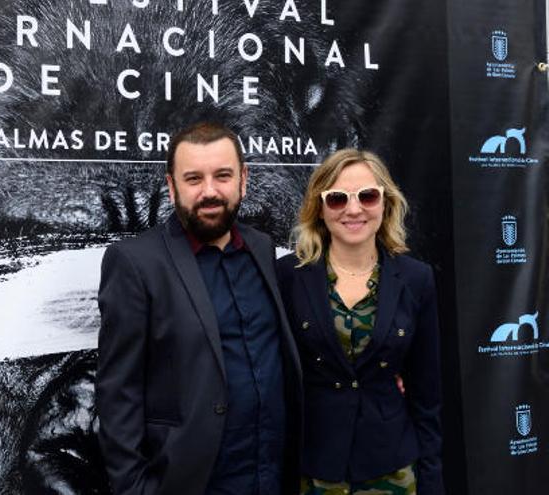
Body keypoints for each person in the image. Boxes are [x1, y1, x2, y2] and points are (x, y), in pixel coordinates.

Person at [96, 122, 303, 495]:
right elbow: (117, 394)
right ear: (172, 186)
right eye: (193, 179)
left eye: (222, 175)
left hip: (270, 476)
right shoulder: (135, 263)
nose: (210, 191)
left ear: (244, 179)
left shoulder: (261, 248)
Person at [276, 149, 443, 494]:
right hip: (314, 469)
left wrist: (432, 480)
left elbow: (427, 396)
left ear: (386, 202)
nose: (354, 210)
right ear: (320, 209)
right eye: (337, 199)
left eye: (367, 196)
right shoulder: (288, 276)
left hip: (392, 468)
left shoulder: (416, 279)